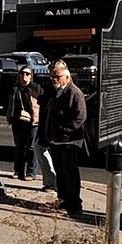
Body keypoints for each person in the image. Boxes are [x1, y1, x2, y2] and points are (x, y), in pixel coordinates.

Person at [41, 60, 88, 216]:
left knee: (70, 173)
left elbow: (80, 117)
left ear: (66, 76)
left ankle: (74, 203)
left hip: (69, 141)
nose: (54, 79)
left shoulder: (74, 93)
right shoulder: (57, 91)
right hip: (56, 140)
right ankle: (63, 200)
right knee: (60, 172)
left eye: (57, 76)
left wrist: (64, 130)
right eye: (51, 76)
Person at [7, 67, 42, 180]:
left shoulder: (36, 88)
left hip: (32, 122)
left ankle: (31, 172)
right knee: (19, 147)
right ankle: (18, 171)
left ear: (31, 76)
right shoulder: (14, 89)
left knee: (31, 147)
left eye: (27, 74)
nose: (24, 76)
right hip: (18, 121)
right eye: (22, 73)